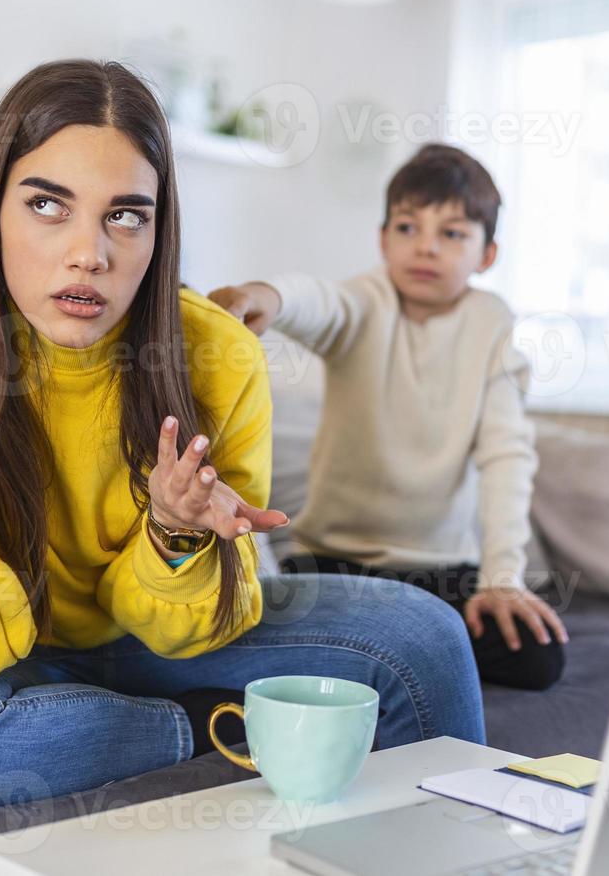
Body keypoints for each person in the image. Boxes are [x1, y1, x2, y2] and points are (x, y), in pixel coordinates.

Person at [0, 61, 484, 809]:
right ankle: (211, 726)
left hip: (155, 642)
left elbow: (198, 623)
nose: (90, 253)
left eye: (126, 215)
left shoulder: (219, 357)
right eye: (47, 205)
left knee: (427, 633)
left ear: (160, 230)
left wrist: (174, 534)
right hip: (8, 652)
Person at [208, 143, 569, 692]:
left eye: (451, 234)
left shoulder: (491, 326)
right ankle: (378, 659)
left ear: (486, 255)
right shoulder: (365, 303)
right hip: (334, 563)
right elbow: (319, 301)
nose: (425, 247)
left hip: (440, 571)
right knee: (276, 628)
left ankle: (380, 660)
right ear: (383, 240)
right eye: (407, 227)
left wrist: (502, 578)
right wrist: (269, 296)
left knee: (538, 658)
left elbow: (507, 457)